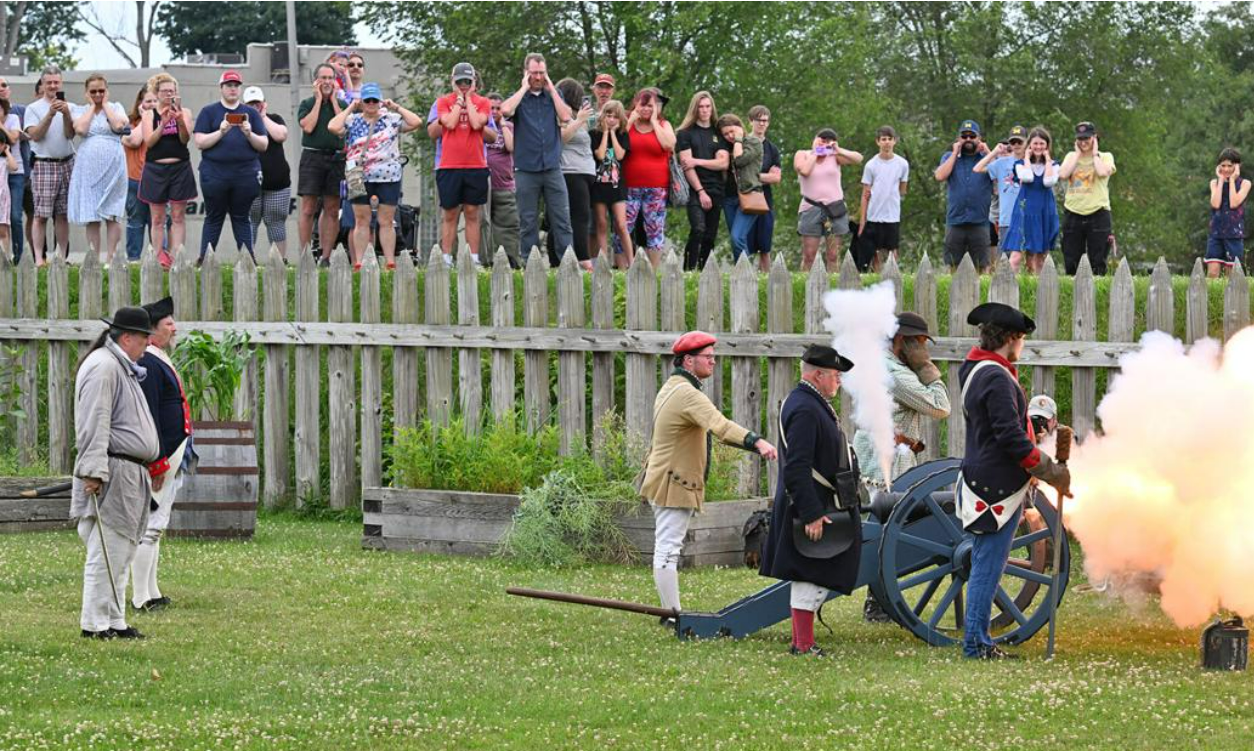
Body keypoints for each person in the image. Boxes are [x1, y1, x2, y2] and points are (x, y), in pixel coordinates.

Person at [956, 302, 1071, 659]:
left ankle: (977, 640)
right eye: (1021, 339)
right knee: (987, 569)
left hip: (988, 477)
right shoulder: (994, 376)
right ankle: (976, 644)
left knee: (985, 565)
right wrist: (1051, 471)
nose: (1022, 346)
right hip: (996, 486)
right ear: (1010, 338)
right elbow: (1011, 438)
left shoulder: (976, 368)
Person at [640, 331, 778, 618]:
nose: (713, 361)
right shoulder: (687, 393)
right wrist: (758, 442)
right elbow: (721, 426)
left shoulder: (673, 386)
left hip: (664, 476)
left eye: (714, 356)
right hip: (672, 482)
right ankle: (672, 615)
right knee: (668, 549)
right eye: (708, 357)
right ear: (688, 361)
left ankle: (671, 612)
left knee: (667, 547)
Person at [759, 344, 858, 656]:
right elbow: (797, 467)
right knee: (809, 574)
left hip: (819, 500)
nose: (839, 381)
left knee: (816, 573)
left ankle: (802, 642)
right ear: (818, 375)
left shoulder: (810, 402)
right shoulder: (804, 408)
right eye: (835, 376)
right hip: (811, 503)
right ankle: (802, 644)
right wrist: (812, 513)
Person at [852, 312, 950, 622]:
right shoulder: (893, 371)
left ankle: (880, 600)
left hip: (888, 450)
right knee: (889, 525)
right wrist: (927, 369)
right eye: (919, 343)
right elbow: (940, 407)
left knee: (890, 524)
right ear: (900, 341)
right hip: (887, 453)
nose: (924, 350)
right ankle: (876, 603)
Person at [72, 306, 160, 639]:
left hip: (129, 470)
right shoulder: (104, 366)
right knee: (106, 549)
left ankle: (114, 619)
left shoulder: (119, 366)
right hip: (113, 468)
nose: (147, 345)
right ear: (126, 337)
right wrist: (94, 470)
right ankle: (93, 624)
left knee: (121, 549)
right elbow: (95, 422)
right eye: (143, 339)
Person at [130, 296, 196, 612]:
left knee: (159, 523)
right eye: (168, 324)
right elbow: (149, 415)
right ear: (153, 331)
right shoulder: (148, 363)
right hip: (162, 456)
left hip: (173, 452)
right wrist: (156, 461)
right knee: (151, 524)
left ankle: (152, 590)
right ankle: (140, 596)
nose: (174, 328)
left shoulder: (157, 357)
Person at [328, 82, 421, 270]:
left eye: (374, 100)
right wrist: (351, 108)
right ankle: (360, 262)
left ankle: (389, 262)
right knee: (361, 220)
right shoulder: (353, 120)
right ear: (362, 101)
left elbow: (416, 122)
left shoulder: (391, 119)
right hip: (357, 173)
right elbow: (332, 126)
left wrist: (395, 106)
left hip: (388, 173)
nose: (371, 103)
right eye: (367, 100)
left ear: (379, 101)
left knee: (386, 220)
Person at [500, 53, 574, 262]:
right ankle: (529, 263)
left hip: (552, 167)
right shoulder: (519, 97)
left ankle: (567, 263)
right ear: (526, 73)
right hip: (526, 169)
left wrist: (551, 88)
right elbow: (505, 110)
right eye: (534, 73)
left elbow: (566, 116)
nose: (539, 77)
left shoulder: (553, 95)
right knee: (528, 220)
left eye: (542, 73)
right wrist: (524, 87)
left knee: (561, 219)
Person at [193, 70, 268, 264]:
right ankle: (205, 259)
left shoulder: (251, 113)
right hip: (214, 173)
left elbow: (263, 145)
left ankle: (248, 261)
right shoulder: (209, 112)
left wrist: (249, 133)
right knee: (214, 216)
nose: (233, 89)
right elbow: (200, 142)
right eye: (229, 85)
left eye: (236, 85)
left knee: (241, 217)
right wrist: (221, 131)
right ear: (221, 88)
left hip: (245, 173)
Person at [436, 62, 492, 269]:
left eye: (467, 81)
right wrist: (459, 102)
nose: (464, 85)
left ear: (474, 82)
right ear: (453, 82)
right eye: (460, 82)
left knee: (472, 212)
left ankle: (473, 259)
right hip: (449, 166)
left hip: (475, 165)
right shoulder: (444, 101)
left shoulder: (483, 102)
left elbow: (478, 124)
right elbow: (449, 123)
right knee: (449, 213)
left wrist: (469, 100)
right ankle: (446, 259)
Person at [68, 75, 129, 262]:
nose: (97, 94)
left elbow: (119, 125)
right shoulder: (81, 110)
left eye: (101, 90)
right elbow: (80, 130)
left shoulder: (116, 107)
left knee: (113, 212)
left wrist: (105, 105)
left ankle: (111, 258)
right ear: (87, 93)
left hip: (114, 165)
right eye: (93, 91)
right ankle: (93, 256)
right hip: (89, 168)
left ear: (107, 91)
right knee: (91, 214)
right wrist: (93, 106)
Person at [139, 73, 195, 269]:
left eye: (172, 91)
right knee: (157, 217)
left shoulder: (185, 112)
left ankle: (177, 256)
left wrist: (179, 120)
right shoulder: (148, 114)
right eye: (164, 91)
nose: (169, 94)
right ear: (157, 93)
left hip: (180, 167)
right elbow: (149, 142)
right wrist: (163, 123)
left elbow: (185, 139)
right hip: (156, 168)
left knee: (178, 216)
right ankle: (158, 256)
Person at [24, 65, 75, 266]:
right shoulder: (33, 108)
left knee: (63, 215)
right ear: (42, 84)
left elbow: (70, 134)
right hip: (44, 164)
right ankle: (39, 259)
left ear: (61, 83)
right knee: (41, 215)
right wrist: (51, 114)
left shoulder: (68, 106)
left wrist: (66, 114)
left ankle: (61, 257)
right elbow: (35, 135)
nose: (53, 85)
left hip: (67, 163)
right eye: (49, 82)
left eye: (56, 82)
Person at [297, 64, 345, 267]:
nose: (327, 82)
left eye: (330, 78)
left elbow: (342, 128)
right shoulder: (307, 103)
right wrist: (318, 101)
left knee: (332, 209)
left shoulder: (342, 104)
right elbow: (308, 127)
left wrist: (333, 101)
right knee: (308, 208)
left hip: (335, 159)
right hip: (312, 158)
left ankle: (326, 256)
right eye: (322, 78)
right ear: (316, 81)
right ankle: (305, 255)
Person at [795, 127, 862, 272]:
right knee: (809, 255)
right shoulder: (803, 154)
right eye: (822, 139)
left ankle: (833, 288)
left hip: (834, 210)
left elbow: (858, 158)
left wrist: (838, 149)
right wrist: (816, 152)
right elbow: (804, 171)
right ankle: (805, 286)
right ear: (814, 139)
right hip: (811, 209)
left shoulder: (834, 157)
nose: (824, 143)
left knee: (833, 255)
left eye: (828, 141)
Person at [621, 88, 675, 268]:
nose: (646, 109)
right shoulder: (627, 122)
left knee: (654, 230)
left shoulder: (663, 124)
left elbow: (668, 145)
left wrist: (654, 122)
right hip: (628, 186)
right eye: (642, 105)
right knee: (623, 228)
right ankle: (622, 269)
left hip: (656, 188)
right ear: (636, 105)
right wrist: (629, 122)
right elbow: (617, 146)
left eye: (650, 106)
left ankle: (653, 271)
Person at [677, 91, 729, 271]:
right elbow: (687, 166)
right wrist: (700, 192)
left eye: (708, 106)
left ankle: (703, 271)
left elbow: (723, 163)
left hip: (717, 189)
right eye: (701, 107)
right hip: (695, 189)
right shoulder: (685, 134)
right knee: (698, 229)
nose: (705, 110)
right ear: (695, 108)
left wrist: (697, 161)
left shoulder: (719, 133)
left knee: (709, 236)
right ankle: (688, 270)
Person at [934, 119, 993, 273]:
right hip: (955, 221)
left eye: (972, 136)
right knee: (953, 268)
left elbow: (1003, 176)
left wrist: (988, 152)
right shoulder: (949, 156)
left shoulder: (986, 159)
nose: (968, 139)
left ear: (978, 138)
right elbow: (940, 176)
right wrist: (955, 153)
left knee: (982, 269)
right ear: (958, 139)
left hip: (979, 222)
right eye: (964, 136)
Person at [1058, 121, 1116, 275]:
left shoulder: (1105, 156)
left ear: (1094, 138)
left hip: (1098, 212)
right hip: (1073, 212)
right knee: (1071, 260)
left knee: (1098, 261)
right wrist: (1077, 155)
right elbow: (1063, 175)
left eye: (1087, 138)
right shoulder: (1071, 156)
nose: (1083, 142)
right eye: (1080, 139)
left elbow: (1102, 172)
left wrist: (1095, 153)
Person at [1000, 127, 1060, 275]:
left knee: (1040, 258)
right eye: (1035, 144)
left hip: (1044, 211)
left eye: (1042, 144)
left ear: (1047, 145)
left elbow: (1048, 182)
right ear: (1029, 145)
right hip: (1024, 211)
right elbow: (1027, 178)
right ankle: (1007, 287)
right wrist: (1027, 157)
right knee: (1016, 256)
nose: (1038, 147)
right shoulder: (1020, 164)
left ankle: (1038, 292)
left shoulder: (1053, 165)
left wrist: (1047, 160)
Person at [551, 78, 595, 269]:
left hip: (585, 172)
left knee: (581, 216)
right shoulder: (560, 115)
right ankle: (582, 258)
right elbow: (561, 138)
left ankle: (570, 257)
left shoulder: (579, 116)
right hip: (570, 172)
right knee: (578, 216)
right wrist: (578, 121)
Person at [243, 86, 291, 258]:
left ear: (264, 104)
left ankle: (280, 261)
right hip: (249, 182)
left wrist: (262, 117)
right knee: (249, 222)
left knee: (276, 222)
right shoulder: (240, 124)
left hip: (277, 183)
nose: (255, 107)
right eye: (250, 104)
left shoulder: (275, 118)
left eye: (258, 103)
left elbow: (280, 135)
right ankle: (248, 260)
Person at [974, 125, 1027, 271]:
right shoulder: (1002, 163)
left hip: (1027, 217)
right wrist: (994, 152)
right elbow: (977, 169)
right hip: (1006, 220)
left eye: (1019, 142)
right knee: (1004, 261)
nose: (1016, 145)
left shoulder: (1030, 162)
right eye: (1013, 142)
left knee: (1028, 261)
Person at [858, 125, 910, 273]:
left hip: (892, 215)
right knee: (875, 253)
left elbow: (903, 189)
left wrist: (892, 195)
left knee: (892, 251)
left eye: (889, 139)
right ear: (878, 142)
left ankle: (892, 277)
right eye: (883, 139)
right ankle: (876, 280)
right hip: (874, 215)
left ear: (895, 141)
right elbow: (865, 194)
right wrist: (863, 220)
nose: (887, 142)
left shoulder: (902, 164)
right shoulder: (871, 165)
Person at [717, 114, 765, 264]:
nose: (729, 136)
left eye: (732, 131)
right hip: (729, 198)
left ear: (740, 126)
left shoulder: (753, 142)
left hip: (749, 195)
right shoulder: (724, 147)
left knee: (736, 237)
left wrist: (738, 139)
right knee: (737, 238)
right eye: (725, 134)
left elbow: (740, 160)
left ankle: (746, 272)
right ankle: (743, 273)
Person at [591, 99, 633, 266]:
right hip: (599, 185)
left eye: (615, 116)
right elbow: (600, 155)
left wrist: (614, 134)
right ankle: (603, 263)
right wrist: (606, 133)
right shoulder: (594, 134)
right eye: (608, 115)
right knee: (601, 223)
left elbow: (620, 155)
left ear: (620, 118)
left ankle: (632, 261)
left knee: (622, 225)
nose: (611, 119)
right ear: (603, 116)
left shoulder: (623, 135)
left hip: (617, 186)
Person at [484, 93, 521, 268]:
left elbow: (511, 146)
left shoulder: (509, 126)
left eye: (498, 108)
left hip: (504, 185)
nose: (495, 111)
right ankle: (484, 262)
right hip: (482, 185)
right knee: (483, 225)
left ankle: (509, 262)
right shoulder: (481, 126)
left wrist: (503, 123)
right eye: (491, 107)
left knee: (507, 226)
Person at [746, 105, 782, 272]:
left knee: (765, 246)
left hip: (765, 201)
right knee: (745, 244)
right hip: (744, 198)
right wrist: (764, 176)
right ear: (751, 121)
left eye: (765, 121)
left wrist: (753, 175)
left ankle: (765, 281)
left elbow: (776, 177)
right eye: (759, 120)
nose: (762, 124)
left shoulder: (772, 149)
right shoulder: (743, 144)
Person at [122, 87, 155, 262]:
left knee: (158, 222)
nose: (151, 104)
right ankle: (133, 260)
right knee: (135, 221)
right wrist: (145, 118)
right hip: (135, 179)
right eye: (148, 101)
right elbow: (134, 141)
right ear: (140, 103)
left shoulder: (165, 122)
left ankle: (160, 259)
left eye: (155, 101)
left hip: (158, 180)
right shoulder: (130, 123)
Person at [1206, 147, 1248, 278]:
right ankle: (1211, 298)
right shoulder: (1214, 183)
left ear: (1237, 166)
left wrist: (1231, 181)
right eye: (1222, 165)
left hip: (1234, 234)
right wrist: (1220, 180)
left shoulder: (1245, 183)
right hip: (1216, 233)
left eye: (1230, 166)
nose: (1226, 169)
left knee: (1231, 276)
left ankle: (1229, 299)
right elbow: (1215, 203)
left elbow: (1234, 203)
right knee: (1212, 273)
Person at [0, 76, 30, 262]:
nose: (1, 88)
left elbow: (12, 139)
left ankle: (18, 257)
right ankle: (4, 255)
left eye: (4, 85)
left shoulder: (14, 118)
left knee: (15, 216)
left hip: (14, 172)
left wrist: (0, 124)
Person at [0, 100, 17, 250]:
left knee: (3, 229)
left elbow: (14, 167)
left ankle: (5, 257)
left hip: (2, 197)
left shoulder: (4, 160)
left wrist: (6, 151)